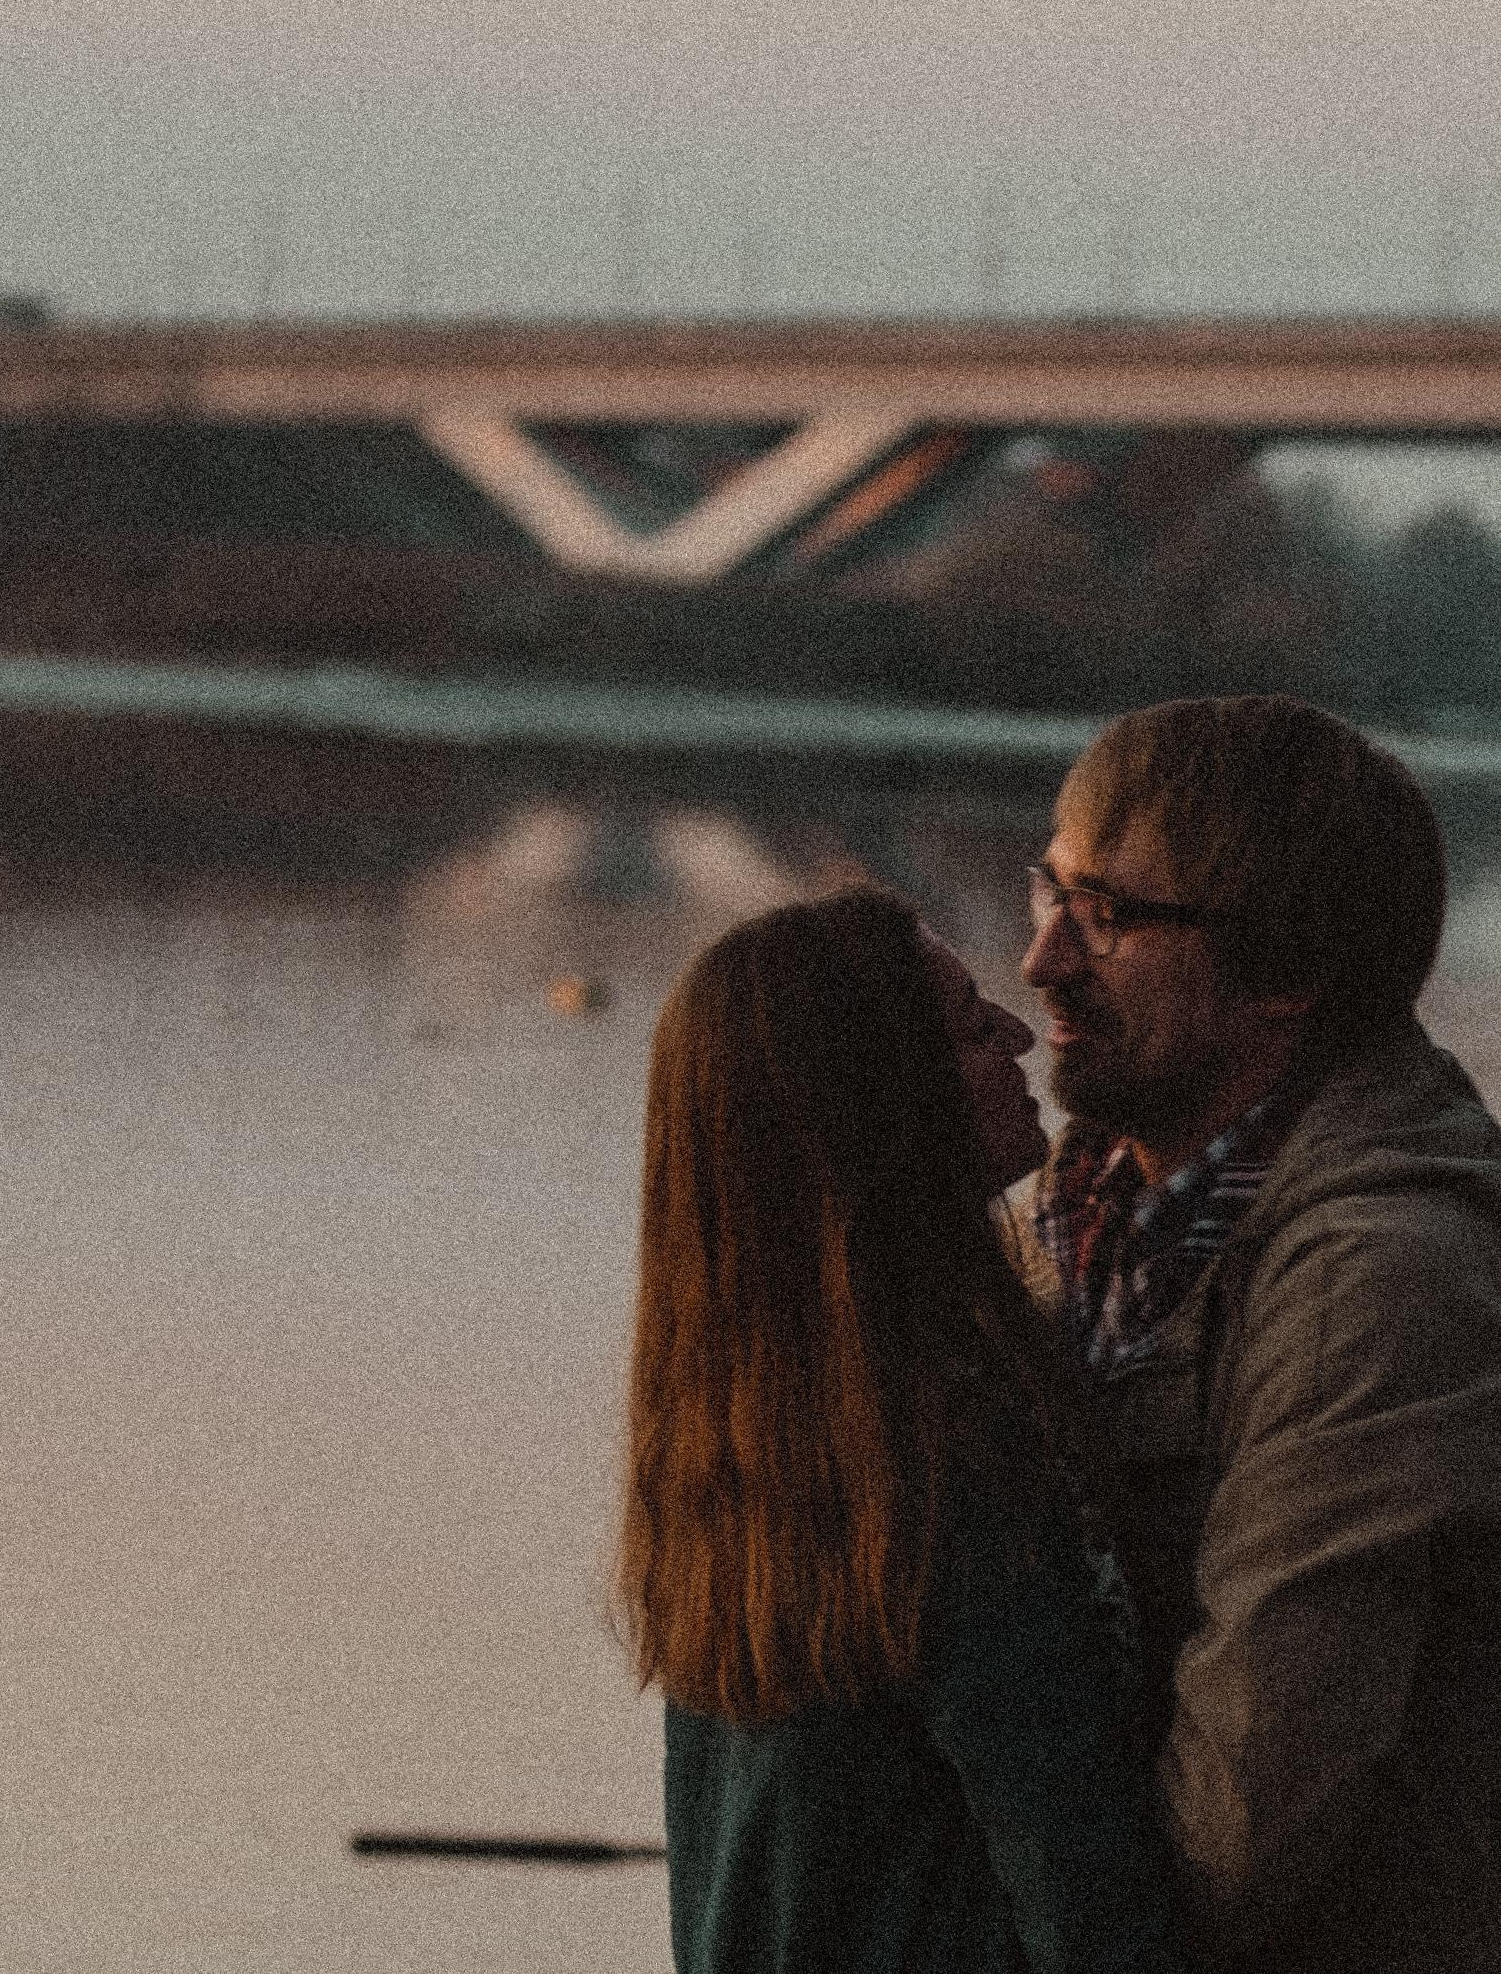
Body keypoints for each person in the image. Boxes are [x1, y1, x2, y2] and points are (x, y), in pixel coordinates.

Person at [1003, 694, 1501, 1973]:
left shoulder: (1376, 1278)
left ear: (1287, 971)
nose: (1042, 960)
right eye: (1046, 892)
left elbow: (1250, 1812)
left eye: (1105, 917)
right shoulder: (1077, 1215)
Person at [619, 886, 1190, 1974]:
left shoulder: (737, 1441)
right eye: (975, 1027)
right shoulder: (949, 1454)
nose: (1020, 1034)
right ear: (882, 1104)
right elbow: (1079, 1883)